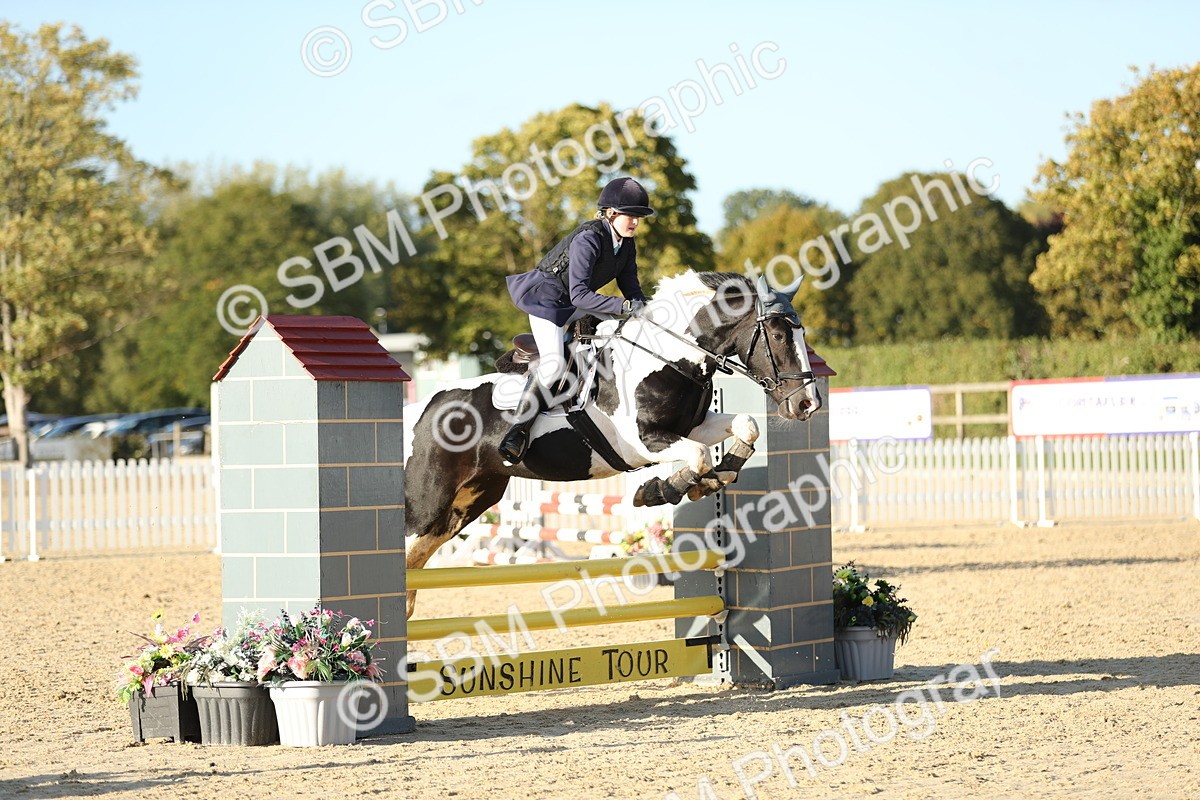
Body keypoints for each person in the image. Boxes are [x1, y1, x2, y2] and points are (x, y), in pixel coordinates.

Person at [498, 176, 655, 464]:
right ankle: (516, 432)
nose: (635, 222)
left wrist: (644, 310)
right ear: (610, 213)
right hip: (547, 302)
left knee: (619, 328)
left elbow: (631, 286)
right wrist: (624, 305)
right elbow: (581, 295)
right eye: (630, 215)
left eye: (638, 217)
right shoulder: (589, 239)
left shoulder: (626, 244)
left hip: (573, 303)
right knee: (553, 365)